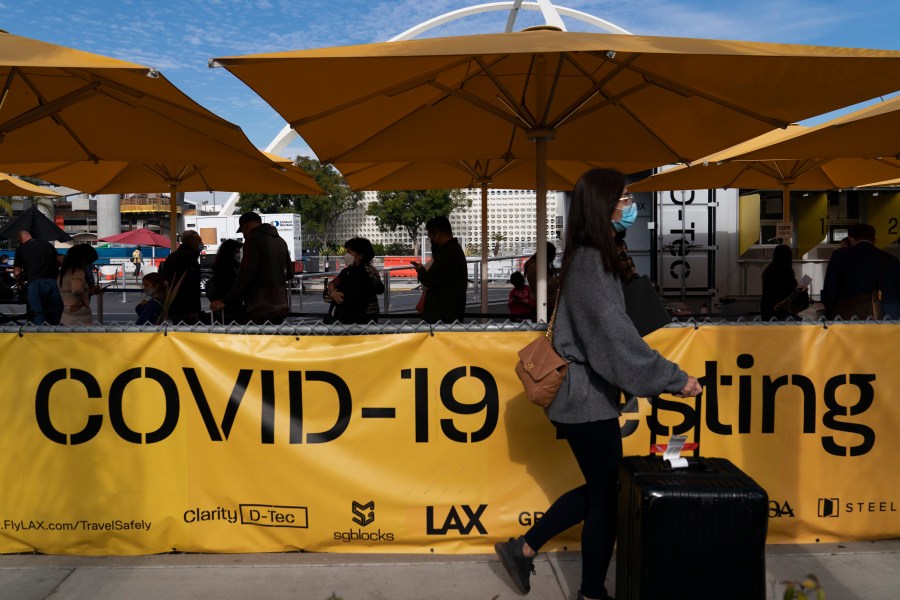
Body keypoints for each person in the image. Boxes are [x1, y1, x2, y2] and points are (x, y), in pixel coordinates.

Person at [494, 168, 703, 600]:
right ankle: (590, 592)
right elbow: (614, 340)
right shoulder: (591, 261)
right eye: (625, 199)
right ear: (602, 205)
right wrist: (673, 378)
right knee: (606, 497)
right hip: (585, 400)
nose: (631, 206)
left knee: (603, 488)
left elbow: (614, 330)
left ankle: (525, 548)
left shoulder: (593, 255)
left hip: (587, 398)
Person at [209, 212, 292, 324]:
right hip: (281, 305)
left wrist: (225, 301)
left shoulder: (252, 239)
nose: (243, 235)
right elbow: (290, 273)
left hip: (260, 307)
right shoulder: (281, 241)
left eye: (242, 231)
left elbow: (246, 274)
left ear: (244, 225)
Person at [822, 223, 900, 319]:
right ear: (874, 240)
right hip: (883, 317)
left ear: (851, 239)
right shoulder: (890, 259)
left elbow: (830, 288)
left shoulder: (840, 256)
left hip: (846, 315)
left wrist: (829, 312)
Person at [411, 216, 468, 323]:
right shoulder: (454, 250)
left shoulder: (448, 253)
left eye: (430, 237)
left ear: (437, 233)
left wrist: (420, 270)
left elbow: (429, 280)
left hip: (442, 317)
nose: (431, 241)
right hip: (450, 313)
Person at [323, 237, 381, 324]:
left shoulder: (369, 272)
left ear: (360, 255)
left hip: (364, 318)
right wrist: (332, 293)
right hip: (345, 318)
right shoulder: (346, 272)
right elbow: (329, 289)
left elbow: (354, 296)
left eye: (349, 252)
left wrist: (334, 293)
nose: (345, 255)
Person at [13, 231, 63, 325]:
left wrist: (19, 282)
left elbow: (17, 272)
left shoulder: (21, 249)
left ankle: (39, 336)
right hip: (52, 281)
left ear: (20, 239)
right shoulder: (47, 244)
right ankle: (56, 335)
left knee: (37, 314)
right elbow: (59, 261)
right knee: (55, 313)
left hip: (35, 283)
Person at [159, 229, 203, 324]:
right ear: (192, 242)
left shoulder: (173, 256)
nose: (201, 244)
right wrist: (193, 309)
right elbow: (192, 286)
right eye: (199, 241)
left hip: (172, 305)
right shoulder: (189, 258)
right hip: (186, 309)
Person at [57, 243, 99, 326]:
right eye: (88, 262)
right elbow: (76, 289)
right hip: (80, 318)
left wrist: (89, 292)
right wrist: (80, 301)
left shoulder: (63, 273)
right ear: (83, 260)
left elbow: (70, 291)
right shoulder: (78, 272)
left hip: (66, 316)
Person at [206, 239, 245, 324]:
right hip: (228, 307)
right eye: (237, 252)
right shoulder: (226, 268)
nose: (238, 254)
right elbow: (227, 287)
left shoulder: (225, 265)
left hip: (226, 306)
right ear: (230, 252)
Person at [760, 244, 799, 321]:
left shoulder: (768, 270)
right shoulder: (786, 271)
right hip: (782, 310)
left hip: (767, 309)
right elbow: (790, 290)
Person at [523, 241, 561, 319]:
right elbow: (542, 286)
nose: (553, 257)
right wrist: (558, 280)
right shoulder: (534, 266)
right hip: (543, 304)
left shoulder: (536, 265)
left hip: (543, 303)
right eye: (552, 255)